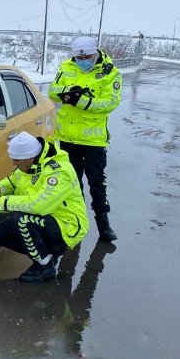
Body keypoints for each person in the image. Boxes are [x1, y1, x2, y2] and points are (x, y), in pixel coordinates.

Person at [0, 131, 89, 283]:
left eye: (16, 160)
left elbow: (40, 205)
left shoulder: (59, 171)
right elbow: (13, 180)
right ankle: (45, 254)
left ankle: (45, 266)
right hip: (43, 221)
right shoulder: (27, 165)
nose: (13, 164)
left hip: (66, 224)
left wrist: (2, 203)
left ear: (30, 158)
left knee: (21, 219)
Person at [48, 36, 122, 242]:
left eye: (87, 57)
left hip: (93, 141)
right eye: (78, 57)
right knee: (72, 183)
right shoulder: (66, 66)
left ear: (95, 53)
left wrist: (82, 100)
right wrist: (66, 94)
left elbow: (109, 103)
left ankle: (103, 225)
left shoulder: (109, 73)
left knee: (97, 183)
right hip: (67, 137)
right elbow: (52, 92)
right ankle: (76, 221)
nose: (82, 60)